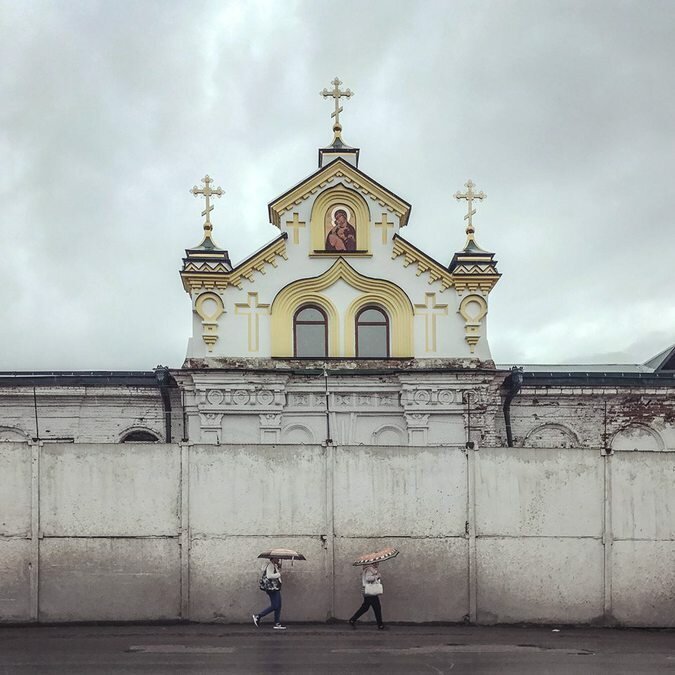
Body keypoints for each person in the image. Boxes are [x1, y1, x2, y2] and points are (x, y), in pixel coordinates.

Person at [348, 562, 386, 629]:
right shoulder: (369, 569)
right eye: (377, 562)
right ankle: (380, 625)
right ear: (373, 563)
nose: (378, 564)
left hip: (368, 592)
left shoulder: (368, 569)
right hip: (371, 592)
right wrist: (377, 576)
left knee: (365, 607)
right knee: (377, 607)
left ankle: (352, 620)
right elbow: (368, 578)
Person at [253, 557, 286, 630]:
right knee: (275, 606)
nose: (278, 560)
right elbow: (269, 576)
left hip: (275, 588)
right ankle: (258, 616)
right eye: (277, 558)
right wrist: (279, 574)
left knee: (278, 605)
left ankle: (277, 623)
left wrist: (278, 568)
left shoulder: (274, 565)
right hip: (272, 588)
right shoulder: (271, 565)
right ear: (273, 558)